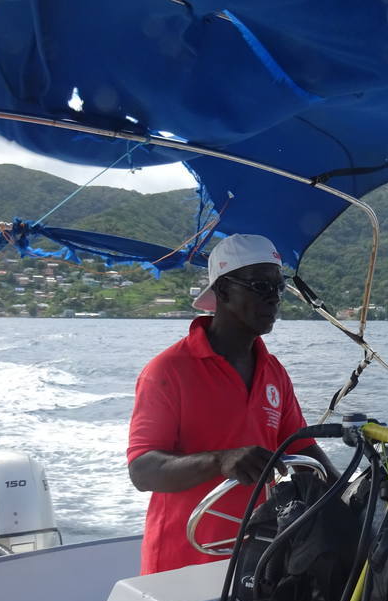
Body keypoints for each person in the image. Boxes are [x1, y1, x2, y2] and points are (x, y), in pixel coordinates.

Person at [127, 233, 337, 574]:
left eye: (279, 287)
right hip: (181, 563)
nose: (275, 298)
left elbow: (303, 451)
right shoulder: (167, 371)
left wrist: (351, 495)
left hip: (257, 558)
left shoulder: (273, 372)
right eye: (260, 286)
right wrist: (220, 461)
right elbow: (142, 470)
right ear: (223, 291)